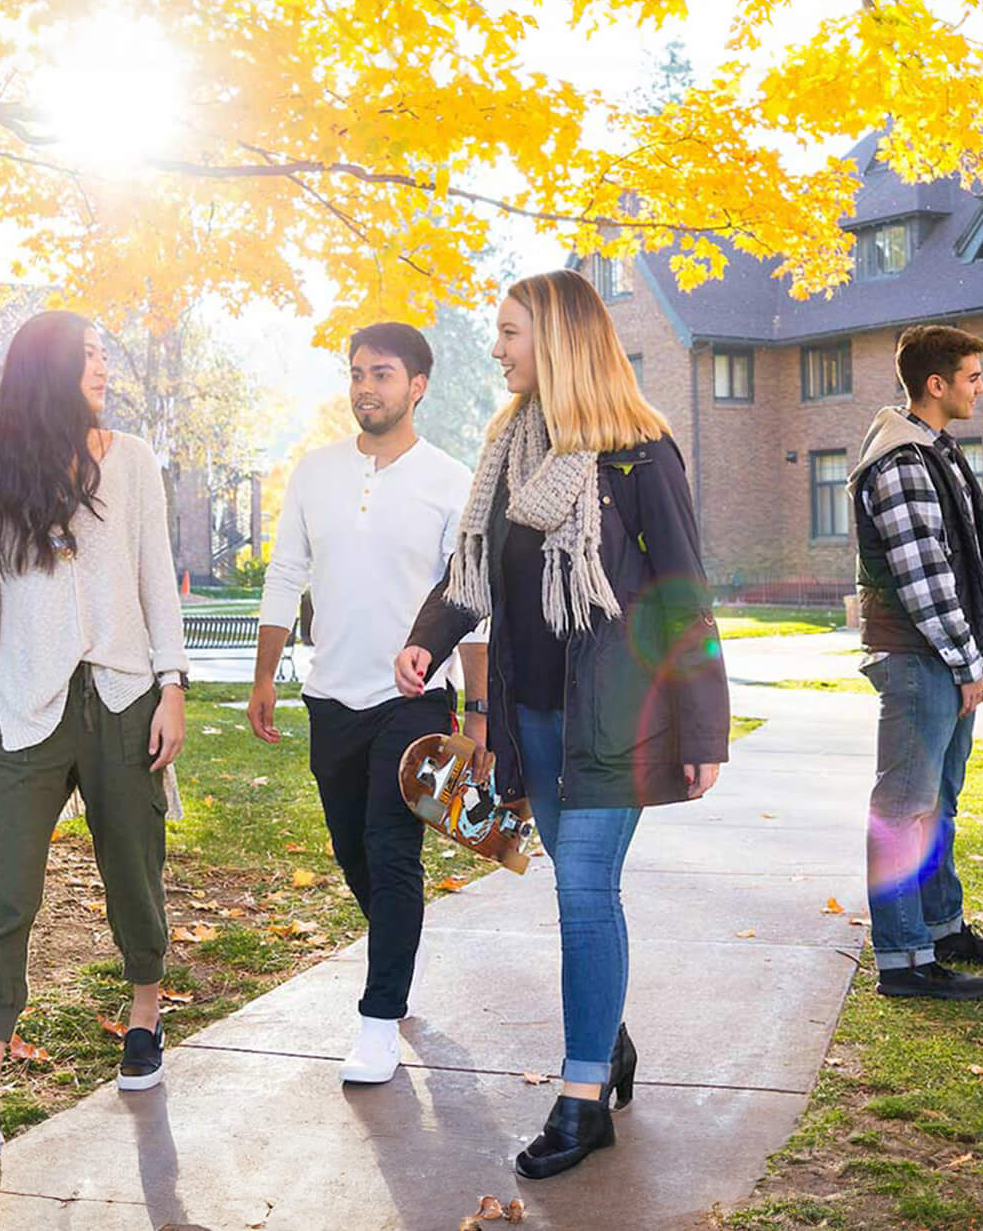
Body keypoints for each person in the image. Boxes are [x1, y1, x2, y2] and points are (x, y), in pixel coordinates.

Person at [396, 268, 729, 1180]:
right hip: (529, 716)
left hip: (614, 717)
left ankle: (582, 1101)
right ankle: (608, 1042)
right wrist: (428, 640)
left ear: (561, 341)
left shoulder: (640, 454)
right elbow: (474, 575)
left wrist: (703, 730)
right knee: (573, 901)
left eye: (509, 333)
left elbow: (685, 598)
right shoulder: (510, 449)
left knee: (586, 895)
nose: (497, 349)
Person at [0, 310, 190, 1175]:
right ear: (48, 369)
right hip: (28, 713)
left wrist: (173, 687)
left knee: (133, 870)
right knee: (9, 897)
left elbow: (156, 576)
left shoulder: (134, 460)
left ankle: (145, 1017)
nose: (103, 367)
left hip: (122, 698)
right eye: (89, 356)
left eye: (107, 353)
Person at [249, 321, 488, 1086]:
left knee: (391, 850)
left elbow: (476, 601)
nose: (364, 388)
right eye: (357, 373)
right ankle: (398, 961)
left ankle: (378, 1019)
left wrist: (477, 714)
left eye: (381, 374)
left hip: (414, 698)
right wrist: (264, 678)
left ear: (417, 386)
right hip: (331, 694)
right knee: (352, 851)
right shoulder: (315, 473)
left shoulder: (455, 480)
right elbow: (286, 573)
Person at [849, 323, 983, 1003]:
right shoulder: (901, 463)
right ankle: (903, 959)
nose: (981, 387)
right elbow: (924, 581)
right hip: (918, 657)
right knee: (903, 809)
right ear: (936, 384)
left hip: (945, 657)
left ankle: (942, 929)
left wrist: (981, 650)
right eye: (974, 377)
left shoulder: (935, 452)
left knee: (938, 803)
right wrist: (965, 658)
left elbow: (961, 566)